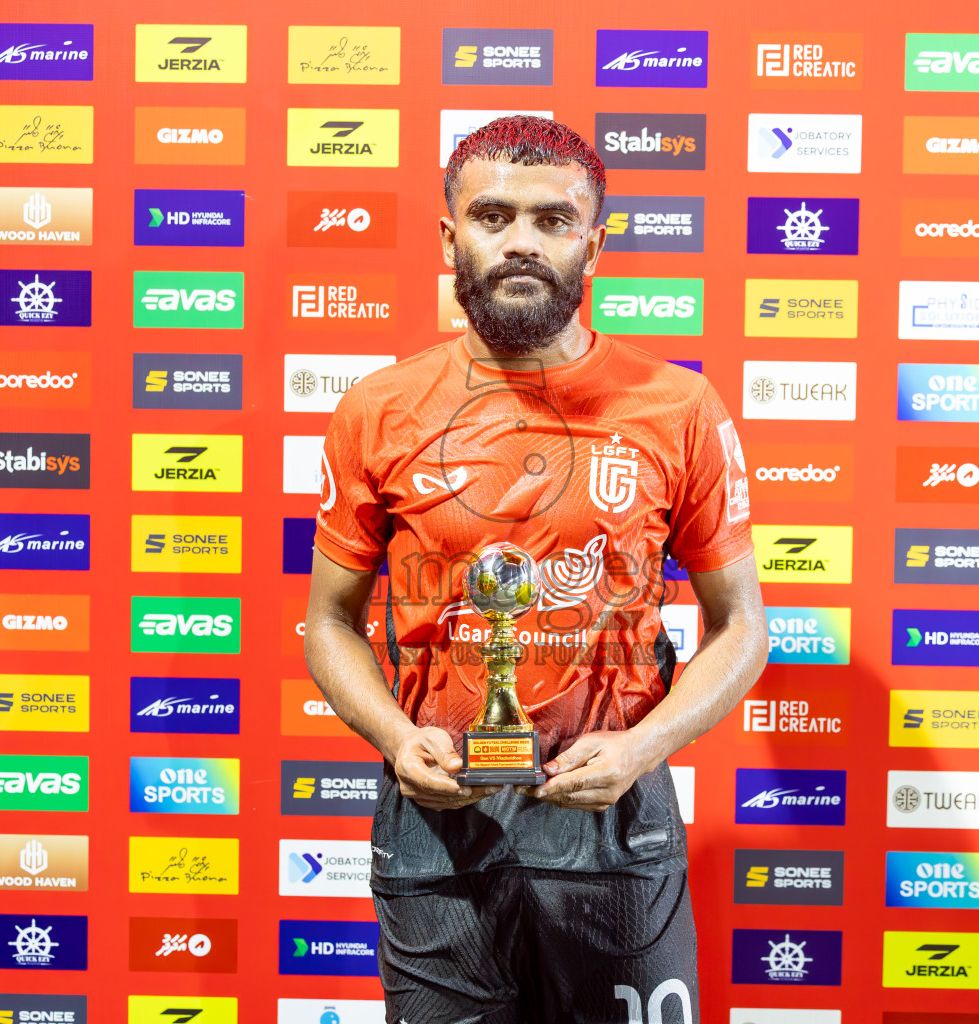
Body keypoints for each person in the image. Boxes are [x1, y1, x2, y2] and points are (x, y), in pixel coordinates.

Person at [303, 115, 766, 1024]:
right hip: (440, 829)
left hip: (616, 825)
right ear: (449, 237)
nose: (520, 241)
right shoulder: (378, 408)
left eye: (553, 221)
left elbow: (742, 626)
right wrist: (398, 740)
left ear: (594, 244)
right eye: (492, 215)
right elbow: (328, 621)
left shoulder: (677, 406)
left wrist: (643, 747)